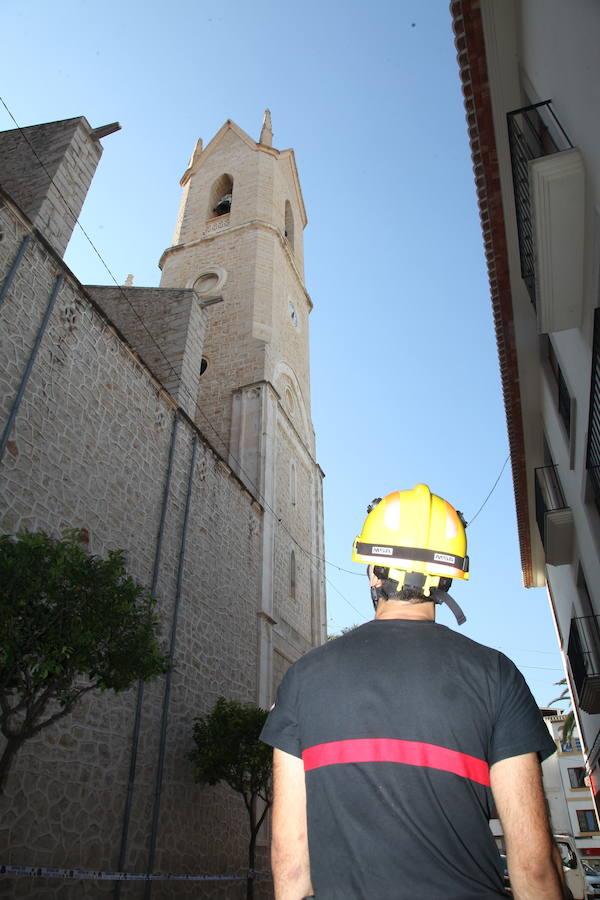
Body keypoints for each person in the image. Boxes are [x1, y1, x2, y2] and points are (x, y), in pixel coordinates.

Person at [261, 484, 565, 899]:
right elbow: (533, 865)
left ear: (372, 570)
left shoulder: (302, 678)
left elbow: (290, 859)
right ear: (447, 578)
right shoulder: (496, 675)